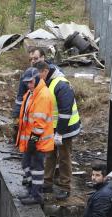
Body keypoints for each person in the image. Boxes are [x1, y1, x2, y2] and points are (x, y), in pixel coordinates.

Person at [17, 61, 56, 205]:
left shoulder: (43, 95)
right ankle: (31, 191)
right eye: (27, 83)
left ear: (37, 78)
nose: (29, 85)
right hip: (32, 140)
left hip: (38, 141)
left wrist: (33, 140)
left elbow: (40, 122)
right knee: (26, 164)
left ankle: (36, 195)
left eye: (31, 82)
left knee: (36, 168)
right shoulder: (32, 93)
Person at [43, 71, 81, 201]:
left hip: (66, 128)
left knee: (64, 157)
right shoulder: (48, 82)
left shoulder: (62, 85)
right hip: (52, 127)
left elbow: (65, 112)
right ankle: (47, 182)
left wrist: (59, 133)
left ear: (45, 71)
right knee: (50, 154)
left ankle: (65, 187)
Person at [10, 47, 63, 121]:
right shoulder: (26, 76)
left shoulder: (55, 73)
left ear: (43, 57)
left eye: (35, 58)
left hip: (54, 118)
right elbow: (20, 97)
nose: (33, 61)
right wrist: (16, 116)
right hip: (35, 116)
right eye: (30, 59)